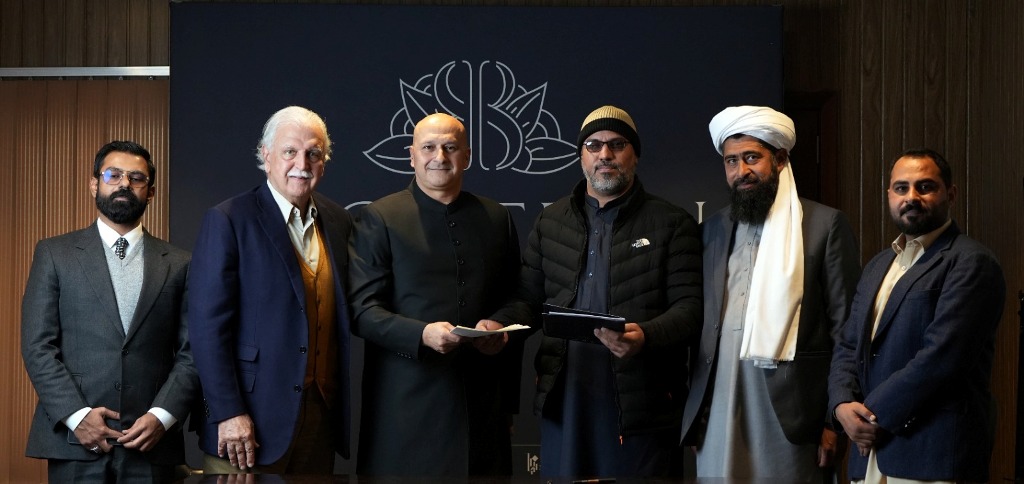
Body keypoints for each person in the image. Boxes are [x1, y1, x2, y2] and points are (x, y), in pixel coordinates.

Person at [680, 105, 861, 481]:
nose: (741, 171)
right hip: (720, 404)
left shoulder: (824, 225)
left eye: (752, 158)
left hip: (792, 412)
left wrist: (834, 421)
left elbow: (847, 331)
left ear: (779, 160)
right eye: (731, 161)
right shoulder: (711, 229)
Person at [521, 105, 702, 477]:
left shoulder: (672, 223)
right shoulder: (550, 221)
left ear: (634, 155)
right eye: (594, 145)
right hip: (566, 397)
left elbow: (690, 309)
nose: (605, 154)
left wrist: (645, 336)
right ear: (581, 156)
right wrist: (497, 327)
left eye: (617, 144)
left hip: (642, 404)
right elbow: (527, 301)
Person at [347, 112, 529, 476]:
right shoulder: (380, 217)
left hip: (483, 410)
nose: (439, 157)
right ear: (412, 156)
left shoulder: (496, 217)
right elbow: (362, 311)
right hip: (404, 410)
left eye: (450, 147)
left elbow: (520, 298)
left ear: (467, 156)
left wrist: (500, 325)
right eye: (428, 147)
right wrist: (422, 334)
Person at [188, 106, 353, 474]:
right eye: (289, 151)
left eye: (314, 153)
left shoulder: (338, 221)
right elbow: (205, 329)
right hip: (246, 425)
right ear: (266, 156)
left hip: (319, 420)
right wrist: (228, 412)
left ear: (324, 162)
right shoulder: (229, 219)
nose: (302, 164)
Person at [21, 140, 198, 483]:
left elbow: (193, 352)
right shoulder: (54, 254)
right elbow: (37, 345)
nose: (124, 184)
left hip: (151, 442)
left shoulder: (180, 263)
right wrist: (76, 415)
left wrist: (163, 416)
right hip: (75, 441)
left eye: (136, 178)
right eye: (112, 175)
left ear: (150, 192)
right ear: (94, 184)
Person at [828, 148, 1005, 483]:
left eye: (925, 187)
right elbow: (848, 346)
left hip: (931, 453)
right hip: (869, 452)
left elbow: (943, 359)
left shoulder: (971, 262)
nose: (911, 197)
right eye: (901, 188)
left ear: (950, 194)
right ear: (889, 195)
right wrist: (841, 405)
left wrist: (869, 415)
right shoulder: (878, 265)